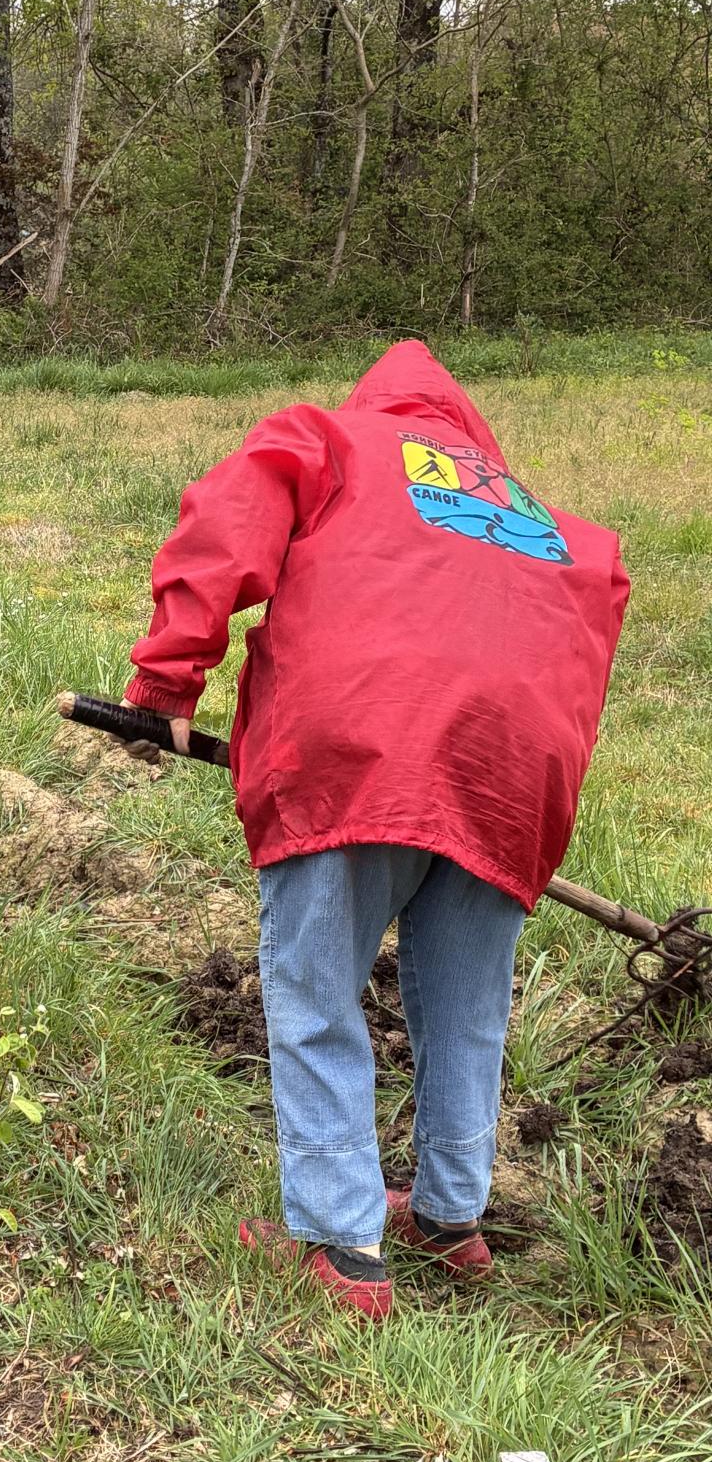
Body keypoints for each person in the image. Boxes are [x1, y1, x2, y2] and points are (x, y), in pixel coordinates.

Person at [122, 341, 628, 1318]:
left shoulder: (329, 441)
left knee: (315, 992)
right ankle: (448, 1217)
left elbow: (227, 522)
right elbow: (593, 617)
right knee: (466, 1004)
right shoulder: (538, 520)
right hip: (515, 779)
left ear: (379, 406)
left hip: (359, 748)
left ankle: (343, 1245)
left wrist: (166, 680)